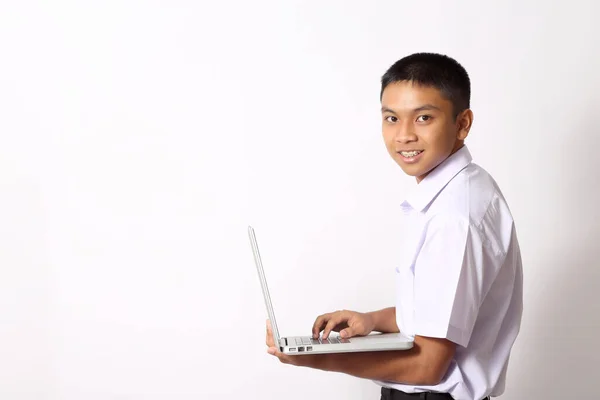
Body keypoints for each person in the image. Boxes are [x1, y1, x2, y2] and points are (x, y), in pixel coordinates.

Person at [265, 52, 523, 400]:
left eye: (423, 117)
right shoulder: (459, 191)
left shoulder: (454, 217)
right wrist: (372, 321)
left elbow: (428, 366)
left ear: (462, 124)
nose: (403, 135)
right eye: (391, 118)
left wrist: (315, 358)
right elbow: (440, 312)